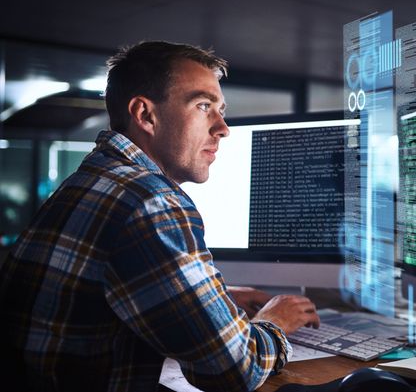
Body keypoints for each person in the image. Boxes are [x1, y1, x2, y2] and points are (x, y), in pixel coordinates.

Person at [0, 41, 320, 392]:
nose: (223, 128)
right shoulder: (151, 202)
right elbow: (234, 369)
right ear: (145, 115)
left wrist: (217, 298)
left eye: (221, 109)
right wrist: (274, 320)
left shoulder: (91, 180)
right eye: (203, 106)